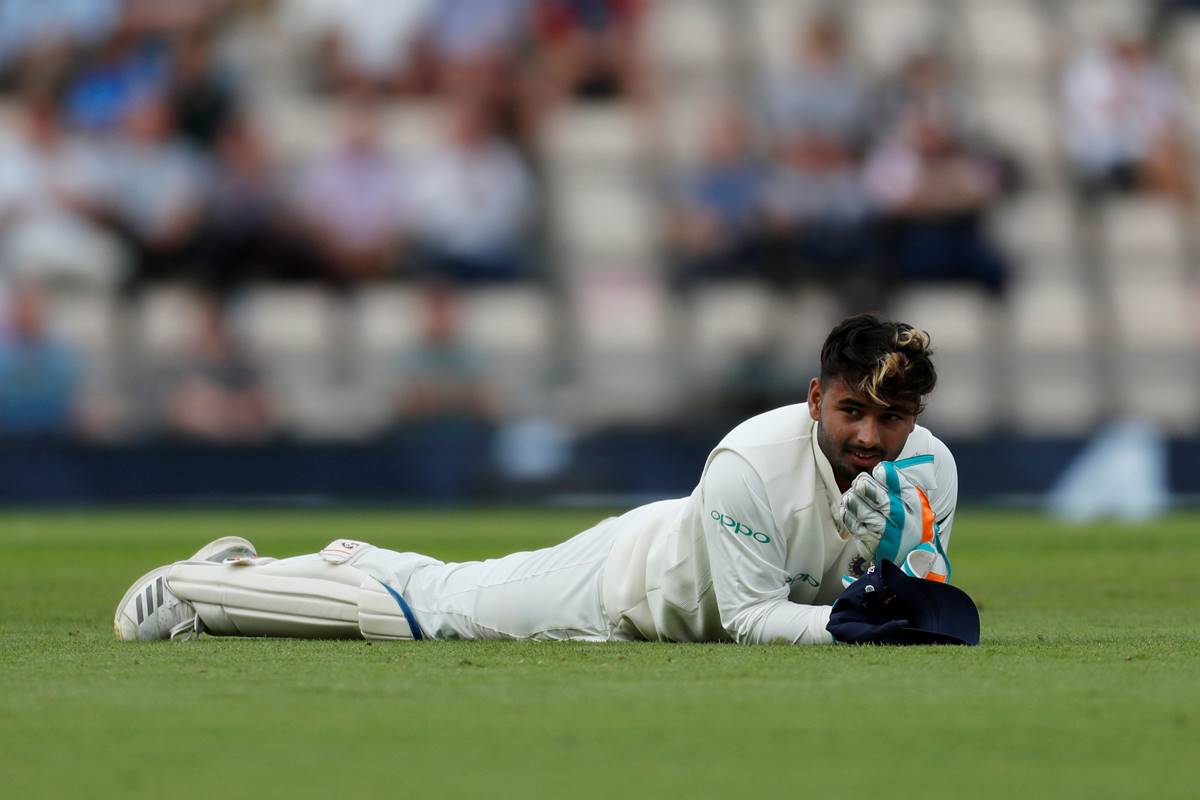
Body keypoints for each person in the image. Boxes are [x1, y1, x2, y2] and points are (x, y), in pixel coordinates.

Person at [115, 314, 959, 646]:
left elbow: (915, 599)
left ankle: (263, 571)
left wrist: (896, 554)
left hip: (665, 594)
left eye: (893, 420)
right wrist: (855, 627)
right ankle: (206, 584)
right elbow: (745, 620)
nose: (870, 436)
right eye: (852, 411)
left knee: (439, 591)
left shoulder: (932, 470)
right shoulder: (750, 460)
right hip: (624, 583)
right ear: (816, 396)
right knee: (434, 609)